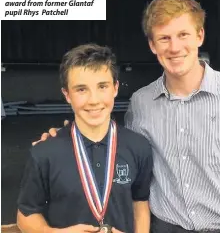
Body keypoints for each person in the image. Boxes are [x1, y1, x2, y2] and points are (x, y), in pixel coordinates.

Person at [34, 0, 220, 233]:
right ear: (152, 45)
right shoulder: (141, 103)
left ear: (200, 35)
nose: (175, 47)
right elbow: (122, 157)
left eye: (183, 34)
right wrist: (65, 140)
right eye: (164, 38)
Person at [17, 44, 153, 233]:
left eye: (102, 86)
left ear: (115, 88)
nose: (93, 100)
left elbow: (140, 204)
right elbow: (25, 215)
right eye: (81, 89)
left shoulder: (139, 147)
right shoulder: (43, 153)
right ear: (67, 94)